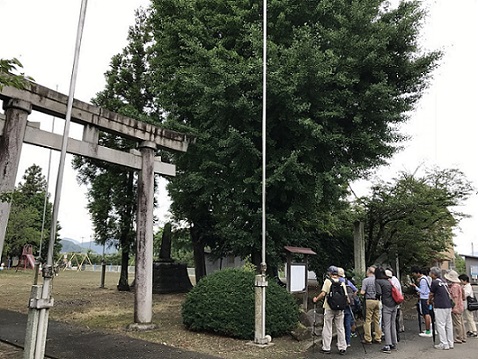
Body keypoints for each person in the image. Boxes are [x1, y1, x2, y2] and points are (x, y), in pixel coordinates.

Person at [313, 265, 348, 355]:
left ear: (330, 273)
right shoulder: (342, 282)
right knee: (340, 327)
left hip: (329, 307)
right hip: (340, 309)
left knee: (328, 327)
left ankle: (326, 348)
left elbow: (323, 293)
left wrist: (316, 299)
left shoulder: (328, 281)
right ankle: (342, 347)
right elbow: (346, 296)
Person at [429, 266, 454, 350]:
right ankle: (451, 343)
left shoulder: (435, 282)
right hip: (448, 305)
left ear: (433, 274)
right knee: (448, 325)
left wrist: (429, 301)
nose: (430, 274)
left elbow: (431, 294)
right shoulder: (444, 281)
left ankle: (444, 343)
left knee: (440, 325)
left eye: (430, 273)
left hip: (440, 305)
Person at [376, 267, 398, 353]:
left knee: (387, 325)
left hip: (387, 304)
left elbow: (379, 293)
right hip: (394, 304)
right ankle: (394, 342)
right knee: (392, 324)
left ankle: (388, 345)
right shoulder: (389, 280)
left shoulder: (378, 281)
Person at [360, 266, 382, 345]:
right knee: (377, 320)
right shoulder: (378, 280)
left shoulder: (366, 280)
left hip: (369, 301)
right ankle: (378, 337)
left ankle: (368, 338)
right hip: (377, 301)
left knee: (368, 320)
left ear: (368, 272)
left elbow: (362, 292)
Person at [444, 269, 466, 343]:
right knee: (461, 322)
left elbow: (455, 297)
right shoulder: (459, 286)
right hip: (461, 305)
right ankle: (463, 337)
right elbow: (463, 296)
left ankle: (458, 337)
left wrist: (454, 307)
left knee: (457, 323)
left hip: (457, 306)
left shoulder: (454, 287)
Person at [337, 267, 357, 347]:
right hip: (348, 304)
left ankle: (341, 342)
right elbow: (355, 290)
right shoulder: (347, 282)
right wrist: (352, 297)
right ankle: (348, 342)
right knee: (347, 323)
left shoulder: (336, 281)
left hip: (339, 304)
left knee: (340, 324)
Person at [411, 266, 432, 337]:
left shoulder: (423, 280)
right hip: (426, 297)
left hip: (424, 298)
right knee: (427, 314)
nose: (414, 275)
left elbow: (422, 291)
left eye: (414, 273)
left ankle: (428, 331)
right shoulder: (425, 278)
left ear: (417, 273)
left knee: (426, 314)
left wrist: (415, 287)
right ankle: (428, 330)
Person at [386, 268, 404, 333]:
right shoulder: (394, 279)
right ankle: (397, 331)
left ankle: (397, 332)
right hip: (396, 301)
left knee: (394, 319)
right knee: (395, 318)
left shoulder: (393, 280)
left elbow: (394, 290)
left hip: (394, 301)